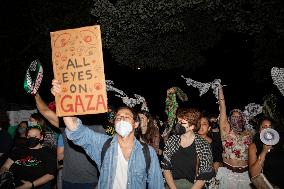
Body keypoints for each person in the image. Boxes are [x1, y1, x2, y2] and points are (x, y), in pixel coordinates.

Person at [51, 77, 164, 189]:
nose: (121, 119)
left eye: (126, 117)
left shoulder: (147, 153)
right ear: (114, 123)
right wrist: (62, 98)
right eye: (118, 117)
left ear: (135, 124)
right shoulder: (102, 144)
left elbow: (157, 184)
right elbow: (75, 129)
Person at [34, 93, 99, 189]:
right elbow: (45, 110)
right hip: (68, 180)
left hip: (91, 181)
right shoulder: (66, 127)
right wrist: (35, 93)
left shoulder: (99, 127)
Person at [162, 107, 215, 189]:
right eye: (178, 121)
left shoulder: (203, 145)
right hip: (171, 185)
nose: (178, 125)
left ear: (192, 126)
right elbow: (166, 167)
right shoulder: (172, 140)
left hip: (193, 185)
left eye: (181, 123)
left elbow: (205, 174)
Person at [216, 86, 253, 188]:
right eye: (234, 117)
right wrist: (220, 89)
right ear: (229, 119)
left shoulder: (249, 134)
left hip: (245, 175)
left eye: (239, 117)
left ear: (243, 119)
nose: (236, 119)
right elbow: (222, 107)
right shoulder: (226, 131)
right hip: (228, 173)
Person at [248, 117, 283, 188]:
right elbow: (254, 174)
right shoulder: (254, 146)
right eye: (263, 127)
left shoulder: (281, 145)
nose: (267, 129)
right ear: (259, 131)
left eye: (270, 127)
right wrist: (264, 151)